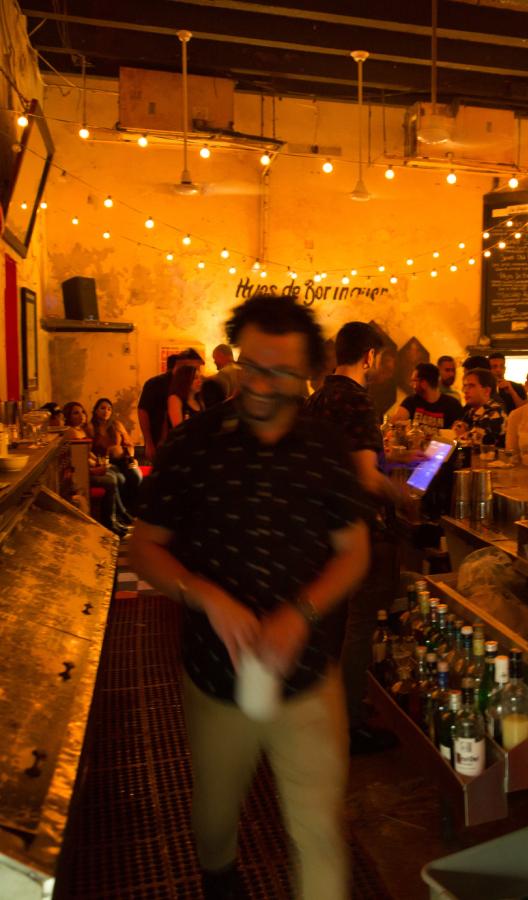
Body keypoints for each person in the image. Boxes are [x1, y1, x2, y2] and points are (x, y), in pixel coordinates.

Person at [129, 294, 370, 900]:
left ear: (306, 375)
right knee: (214, 820)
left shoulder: (325, 451)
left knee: (317, 831)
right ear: (237, 359)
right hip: (216, 676)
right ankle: (220, 878)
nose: (263, 385)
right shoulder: (194, 446)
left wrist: (301, 614)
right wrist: (205, 595)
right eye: (253, 367)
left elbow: (354, 552)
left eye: (282, 372)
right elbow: (144, 547)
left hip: (307, 676)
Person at [307, 321, 404, 755]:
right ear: (368, 356)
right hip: (351, 528)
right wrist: (403, 497)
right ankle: (350, 722)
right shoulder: (357, 401)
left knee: (330, 626)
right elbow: (366, 476)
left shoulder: (320, 397)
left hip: (319, 526)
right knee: (359, 625)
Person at [63, 400, 131, 535]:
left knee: (115, 473)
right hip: (80, 474)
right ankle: (110, 522)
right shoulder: (71, 432)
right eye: (76, 413)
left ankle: (117, 516)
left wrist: (100, 464)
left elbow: (89, 454)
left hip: (89, 468)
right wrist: (95, 468)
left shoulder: (82, 430)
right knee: (111, 480)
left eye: (82, 412)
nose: (81, 415)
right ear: (68, 417)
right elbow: (78, 460)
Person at [138, 348, 203, 463]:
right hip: (162, 440)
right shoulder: (156, 383)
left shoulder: (195, 392)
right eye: (195, 369)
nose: (197, 373)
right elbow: (143, 411)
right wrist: (148, 442)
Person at [91, 397, 143, 512]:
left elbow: (129, 444)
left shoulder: (116, 424)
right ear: (96, 410)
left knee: (136, 476)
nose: (106, 411)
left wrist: (131, 457)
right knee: (121, 479)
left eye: (109, 409)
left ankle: (135, 509)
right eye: (103, 408)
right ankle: (124, 510)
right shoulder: (91, 428)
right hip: (107, 463)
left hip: (124, 459)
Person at [391, 362, 463, 435]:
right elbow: (395, 422)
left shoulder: (453, 405)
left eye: (414, 381)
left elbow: (459, 437)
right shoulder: (411, 400)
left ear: (424, 383)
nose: (411, 384)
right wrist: (400, 424)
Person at [458, 368, 507, 446]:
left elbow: (475, 443)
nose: (465, 391)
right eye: (465, 386)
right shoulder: (471, 411)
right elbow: (457, 431)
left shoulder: (495, 413)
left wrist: (461, 434)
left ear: (486, 391)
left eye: (471, 386)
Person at [167, 364, 204, 431]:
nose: (200, 381)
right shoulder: (175, 399)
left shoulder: (199, 400)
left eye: (200, 378)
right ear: (185, 379)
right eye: (195, 378)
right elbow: (178, 428)